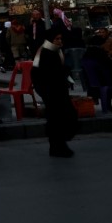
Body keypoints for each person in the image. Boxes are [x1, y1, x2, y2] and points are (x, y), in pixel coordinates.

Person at [31, 26, 78, 157]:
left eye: (60, 38)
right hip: (52, 92)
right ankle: (59, 147)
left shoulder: (54, 51)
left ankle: (57, 146)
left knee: (59, 119)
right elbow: (46, 73)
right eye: (56, 39)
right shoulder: (46, 53)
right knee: (59, 119)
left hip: (57, 91)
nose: (59, 41)